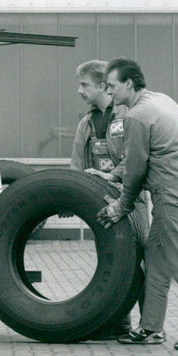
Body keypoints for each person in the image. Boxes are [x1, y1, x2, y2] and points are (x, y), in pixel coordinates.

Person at [97, 59, 178, 350]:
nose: (109, 92)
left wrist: (122, 206)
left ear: (129, 83)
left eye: (112, 86)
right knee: (155, 259)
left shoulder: (137, 116)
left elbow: (136, 168)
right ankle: (151, 328)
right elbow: (140, 159)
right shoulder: (162, 100)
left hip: (170, 194)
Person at [69, 60, 149, 339]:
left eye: (84, 85)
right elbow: (77, 163)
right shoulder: (87, 122)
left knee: (138, 262)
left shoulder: (128, 116)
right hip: (101, 203)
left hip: (131, 200)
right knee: (112, 263)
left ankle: (147, 324)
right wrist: (69, 196)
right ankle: (119, 323)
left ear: (103, 86)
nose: (79, 90)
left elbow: (136, 159)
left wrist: (112, 176)